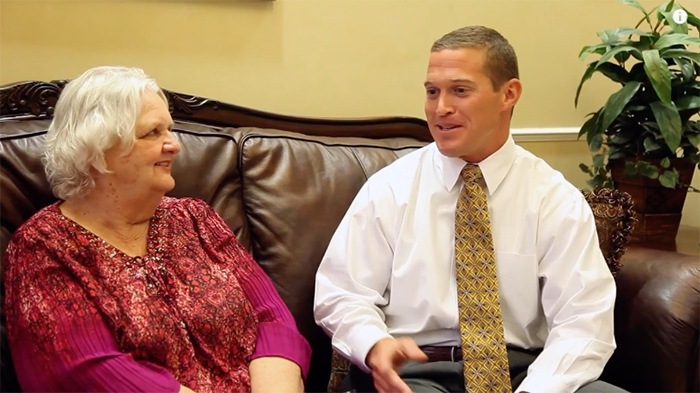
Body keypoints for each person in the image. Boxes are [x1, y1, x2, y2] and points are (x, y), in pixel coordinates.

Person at [314, 26, 626, 393]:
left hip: (527, 374)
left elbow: (584, 322)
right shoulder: (390, 189)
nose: (440, 108)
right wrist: (374, 345)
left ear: (508, 94)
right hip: (416, 373)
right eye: (432, 92)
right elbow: (341, 293)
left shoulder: (553, 198)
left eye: (459, 91)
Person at [3, 66, 311, 393]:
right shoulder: (45, 247)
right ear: (95, 151)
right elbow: (85, 371)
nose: (174, 145)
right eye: (153, 133)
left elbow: (273, 321)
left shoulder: (195, 218)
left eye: (170, 130)